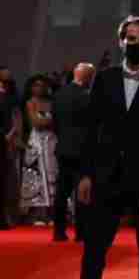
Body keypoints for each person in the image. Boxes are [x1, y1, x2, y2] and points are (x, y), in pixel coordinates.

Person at [80, 16, 139, 279]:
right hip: (106, 173)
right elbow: (91, 127)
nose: (136, 44)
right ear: (121, 42)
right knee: (95, 245)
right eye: (131, 38)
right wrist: (86, 174)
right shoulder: (105, 78)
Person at [53, 62, 95, 241]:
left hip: (63, 148)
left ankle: (59, 232)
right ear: (88, 77)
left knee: (62, 191)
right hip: (82, 149)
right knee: (82, 191)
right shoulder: (88, 96)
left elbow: (55, 122)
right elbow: (93, 125)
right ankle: (81, 232)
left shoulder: (59, 94)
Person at [19, 74, 58, 226]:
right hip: (37, 142)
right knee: (37, 174)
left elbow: (55, 121)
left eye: (42, 85)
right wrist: (49, 120)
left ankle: (52, 213)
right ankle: (37, 215)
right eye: (36, 85)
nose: (39, 88)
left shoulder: (51, 102)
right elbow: (35, 123)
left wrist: (45, 120)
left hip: (51, 141)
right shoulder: (30, 102)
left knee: (52, 173)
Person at [0, 65, 20, 230]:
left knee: (5, 180)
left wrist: (11, 135)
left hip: (6, 142)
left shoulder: (10, 98)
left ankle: (4, 217)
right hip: (4, 139)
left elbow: (15, 119)